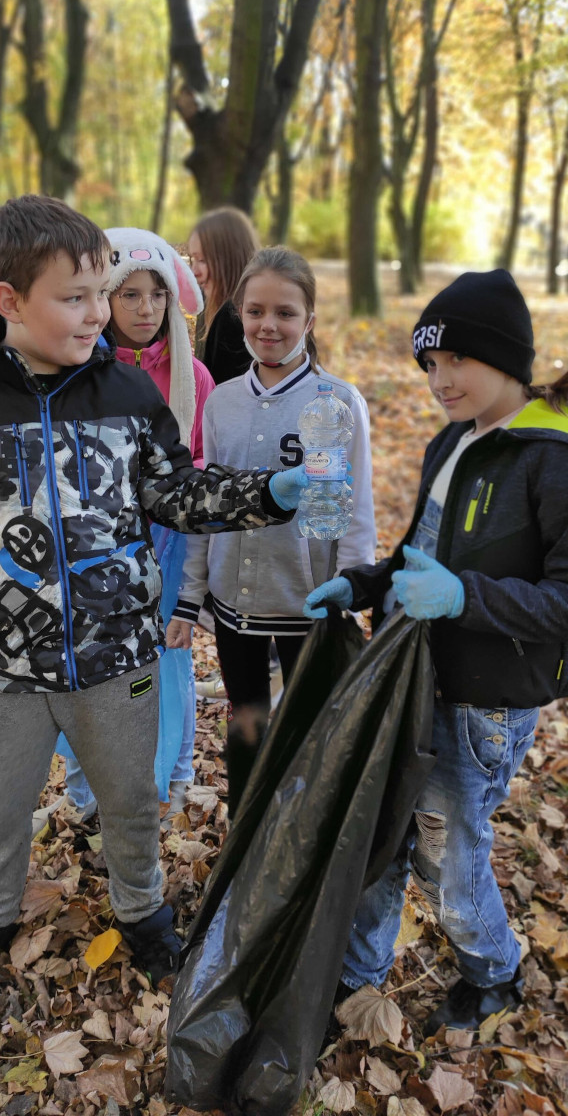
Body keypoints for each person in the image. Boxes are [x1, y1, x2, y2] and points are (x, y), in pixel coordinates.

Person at [0, 195, 310, 1000]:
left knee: (130, 798)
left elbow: (176, 492)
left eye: (103, 293)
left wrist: (267, 493)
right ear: (9, 300)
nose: (100, 314)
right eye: (76, 297)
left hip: (117, 659)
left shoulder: (125, 395)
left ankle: (141, 909)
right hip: (2, 670)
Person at [304, 268, 568, 1036]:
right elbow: (421, 550)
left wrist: (463, 598)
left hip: (485, 701)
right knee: (380, 835)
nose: (438, 380)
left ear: (506, 358)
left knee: (445, 858)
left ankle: (493, 972)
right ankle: (355, 977)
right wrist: (363, 583)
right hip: (411, 681)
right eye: (428, 363)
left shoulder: (560, 462)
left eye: (456, 359)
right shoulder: (453, 440)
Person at [170, 245, 376, 815]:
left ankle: (298, 844)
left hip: (307, 605)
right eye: (256, 311)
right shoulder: (223, 402)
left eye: (285, 312)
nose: (269, 325)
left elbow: (355, 511)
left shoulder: (338, 403)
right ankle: (245, 833)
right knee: (248, 728)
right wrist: (190, 595)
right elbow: (208, 505)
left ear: (309, 320)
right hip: (234, 605)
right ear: (239, 313)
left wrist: (352, 591)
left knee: (308, 740)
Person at [54, 226, 215, 826]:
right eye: (130, 295)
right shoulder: (75, 371)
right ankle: (86, 791)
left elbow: (201, 466)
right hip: (93, 547)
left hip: (168, 542)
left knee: (166, 657)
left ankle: (171, 777)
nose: (146, 308)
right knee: (92, 657)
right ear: (105, 297)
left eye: (158, 294)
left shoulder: (193, 377)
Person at [187, 206, 260, 385]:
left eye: (202, 260)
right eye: (193, 260)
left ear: (229, 258)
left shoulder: (231, 316)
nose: (194, 271)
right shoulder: (243, 309)